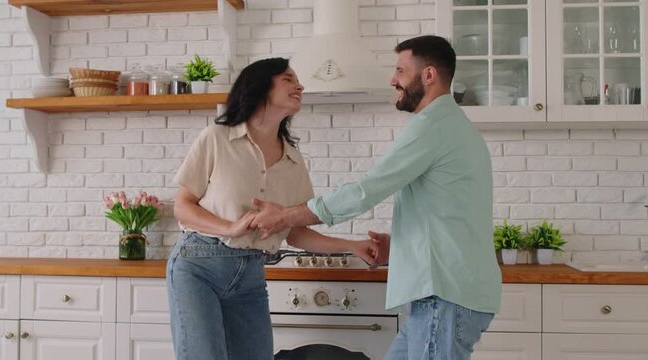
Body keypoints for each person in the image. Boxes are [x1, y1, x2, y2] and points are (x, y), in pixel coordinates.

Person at [250, 36, 502, 359]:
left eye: (400, 70)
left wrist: (285, 216)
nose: (393, 80)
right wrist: (398, 246)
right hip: (443, 295)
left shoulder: (431, 126)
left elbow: (365, 191)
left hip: (443, 298)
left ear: (428, 76)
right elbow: (453, 217)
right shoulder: (454, 126)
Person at [166, 57, 379, 360]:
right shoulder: (217, 138)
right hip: (199, 266)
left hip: (250, 274)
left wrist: (352, 246)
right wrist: (230, 227)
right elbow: (182, 207)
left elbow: (295, 234)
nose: (300, 86)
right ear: (260, 86)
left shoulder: (293, 161)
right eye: (288, 79)